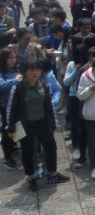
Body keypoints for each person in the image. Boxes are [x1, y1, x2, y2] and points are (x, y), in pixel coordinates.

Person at [5, 59, 72, 191]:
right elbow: (11, 108)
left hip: (43, 122)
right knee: (28, 151)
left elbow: (49, 106)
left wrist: (53, 123)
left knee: (51, 147)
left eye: (38, 70)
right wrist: (10, 127)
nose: (35, 73)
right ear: (25, 72)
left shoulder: (44, 84)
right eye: (32, 70)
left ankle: (53, 174)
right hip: (26, 124)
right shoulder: (18, 87)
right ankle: (31, 177)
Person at [0, 48, 19, 169]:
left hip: (16, 105)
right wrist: (15, 80)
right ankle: (7, 158)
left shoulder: (14, 70)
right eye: (10, 58)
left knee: (16, 127)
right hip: (5, 106)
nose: (13, 60)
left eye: (14, 57)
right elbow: (1, 85)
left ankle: (12, 148)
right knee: (7, 130)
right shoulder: (2, 73)